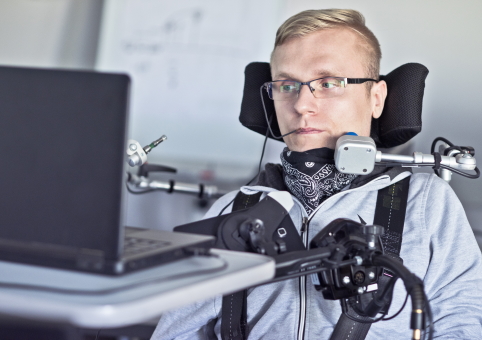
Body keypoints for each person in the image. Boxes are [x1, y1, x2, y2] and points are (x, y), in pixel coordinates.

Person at [151, 9, 482, 339]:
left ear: (376, 98)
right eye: (287, 85)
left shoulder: (427, 203)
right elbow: (175, 332)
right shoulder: (231, 211)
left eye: (327, 83)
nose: (301, 105)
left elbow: (461, 324)